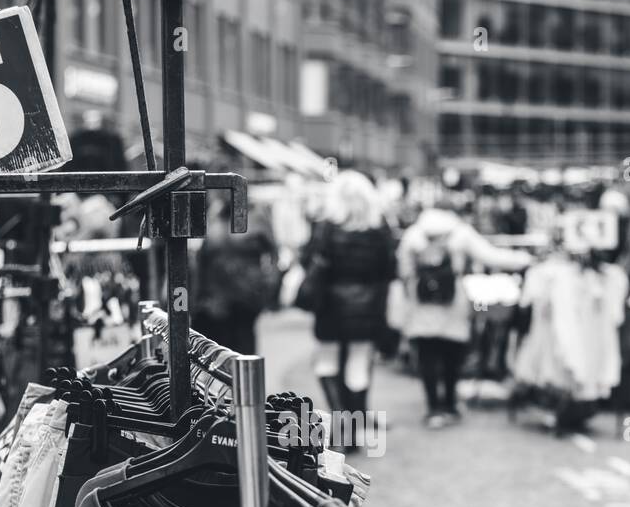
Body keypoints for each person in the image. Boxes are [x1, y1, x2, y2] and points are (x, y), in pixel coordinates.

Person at [397, 201, 532, 428]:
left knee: (427, 356)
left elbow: (403, 270)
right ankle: (450, 404)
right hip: (453, 303)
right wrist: (525, 260)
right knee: (452, 355)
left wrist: (410, 295)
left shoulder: (413, 235)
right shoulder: (460, 233)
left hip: (421, 304)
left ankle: (433, 407)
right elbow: (491, 256)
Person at [299, 170, 397, 452]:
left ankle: (340, 431)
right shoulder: (380, 229)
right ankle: (353, 434)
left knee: (326, 363)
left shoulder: (327, 227)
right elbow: (389, 270)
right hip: (369, 307)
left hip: (330, 306)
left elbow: (309, 261)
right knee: (358, 367)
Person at [193, 196, 280, 355]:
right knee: (217, 350)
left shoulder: (256, 214)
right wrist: (201, 294)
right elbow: (203, 256)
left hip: (247, 294)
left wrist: (269, 282)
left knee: (243, 348)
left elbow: (273, 251)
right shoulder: (215, 213)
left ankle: (244, 378)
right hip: (216, 296)